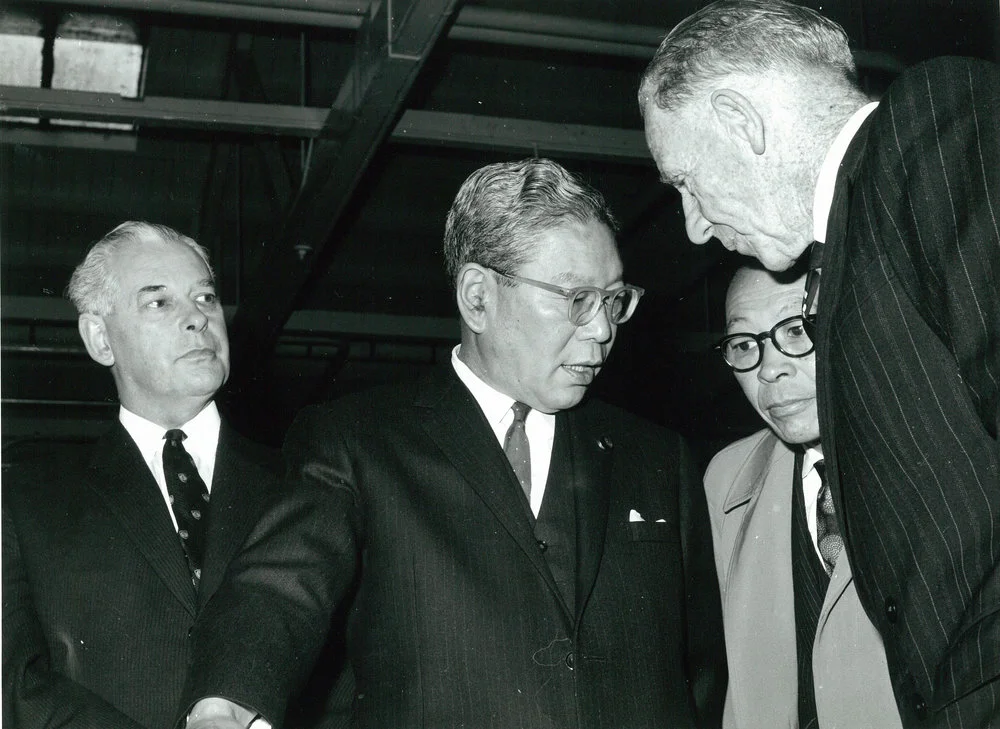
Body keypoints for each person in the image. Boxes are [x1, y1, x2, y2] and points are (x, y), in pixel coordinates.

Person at [181, 157, 727, 729]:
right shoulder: (358, 441)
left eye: (614, 300)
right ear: (477, 297)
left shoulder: (659, 458)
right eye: (577, 299)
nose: (602, 329)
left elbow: (704, 672)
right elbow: (276, 592)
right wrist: (224, 707)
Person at [639, 1, 999, 725]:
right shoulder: (845, 258)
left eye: (684, 181)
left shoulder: (933, 124)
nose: (694, 223)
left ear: (741, 122)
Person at [2, 222, 284, 729]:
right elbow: (14, 684)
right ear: (100, 339)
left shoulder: (306, 482)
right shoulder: (24, 499)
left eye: (206, 296)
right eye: (160, 302)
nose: (198, 318)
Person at [705, 262, 901, 729]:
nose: (770, 369)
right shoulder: (726, 480)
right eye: (744, 345)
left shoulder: (949, 458)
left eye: (795, 330)